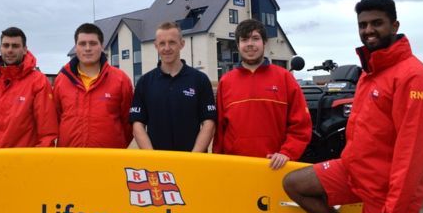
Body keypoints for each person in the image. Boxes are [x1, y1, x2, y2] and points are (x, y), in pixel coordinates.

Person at [282, 0, 423, 213]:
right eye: (363, 24)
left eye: (377, 23)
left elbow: (412, 153)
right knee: (295, 184)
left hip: (389, 188)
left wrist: (393, 212)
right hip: (355, 170)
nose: (368, 30)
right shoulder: (371, 70)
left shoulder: (415, 79)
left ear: (395, 24)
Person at [213, 19, 311, 169]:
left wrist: (287, 152)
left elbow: (301, 125)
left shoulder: (284, 78)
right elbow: (220, 130)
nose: (250, 44)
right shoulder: (226, 82)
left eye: (255, 38)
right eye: (244, 40)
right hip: (236, 167)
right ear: (238, 45)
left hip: (275, 167)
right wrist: (218, 163)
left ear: (264, 42)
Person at [129, 21, 216, 152]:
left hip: (193, 161)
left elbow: (209, 123)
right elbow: (137, 124)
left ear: (182, 44)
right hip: (157, 165)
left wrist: (193, 158)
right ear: (156, 46)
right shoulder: (144, 82)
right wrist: (153, 157)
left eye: (172, 42)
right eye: (162, 43)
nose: (167, 48)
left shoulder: (200, 80)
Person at [0, 26, 58, 149]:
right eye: (6, 45)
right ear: (0, 48)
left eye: (15, 46)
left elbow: (47, 131)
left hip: (22, 161)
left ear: (25, 49)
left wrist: (40, 162)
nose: (10, 50)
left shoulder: (38, 82)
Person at [53, 23, 133, 148]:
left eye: (93, 43)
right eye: (82, 44)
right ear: (76, 47)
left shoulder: (121, 79)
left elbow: (128, 124)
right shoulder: (61, 80)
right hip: (70, 158)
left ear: (102, 46)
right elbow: (55, 119)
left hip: (109, 159)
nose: (88, 48)